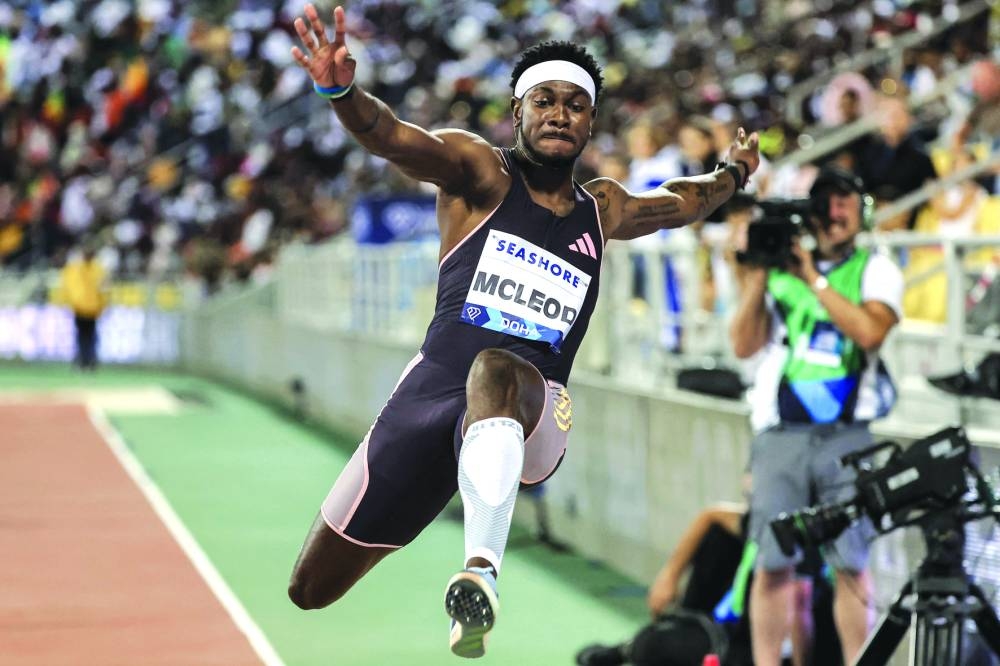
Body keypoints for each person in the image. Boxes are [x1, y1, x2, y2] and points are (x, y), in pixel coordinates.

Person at [285, 4, 761, 659]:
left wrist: (733, 173)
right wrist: (340, 90)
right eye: (545, 100)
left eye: (575, 104)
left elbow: (687, 202)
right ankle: (466, 494)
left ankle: (481, 573)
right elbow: (392, 135)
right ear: (518, 110)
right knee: (309, 588)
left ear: (591, 121)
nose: (559, 113)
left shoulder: (603, 208)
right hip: (429, 397)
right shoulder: (478, 173)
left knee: (496, 368)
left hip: (536, 407)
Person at [729, 166, 903, 665]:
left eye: (846, 201)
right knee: (773, 563)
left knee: (851, 562)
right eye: (826, 202)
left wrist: (812, 278)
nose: (835, 213)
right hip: (781, 433)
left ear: (861, 211)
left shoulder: (875, 269)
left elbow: (869, 333)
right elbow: (744, 344)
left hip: (847, 436)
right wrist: (758, 274)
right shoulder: (780, 270)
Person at [60, 244, 108, 371]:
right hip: (81, 308)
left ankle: (89, 361)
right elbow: (70, 288)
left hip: (91, 309)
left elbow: (104, 289)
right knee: (83, 336)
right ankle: (83, 360)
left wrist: (102, 305)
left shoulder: (95, 269)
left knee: (89, 336)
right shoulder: (80, 268)